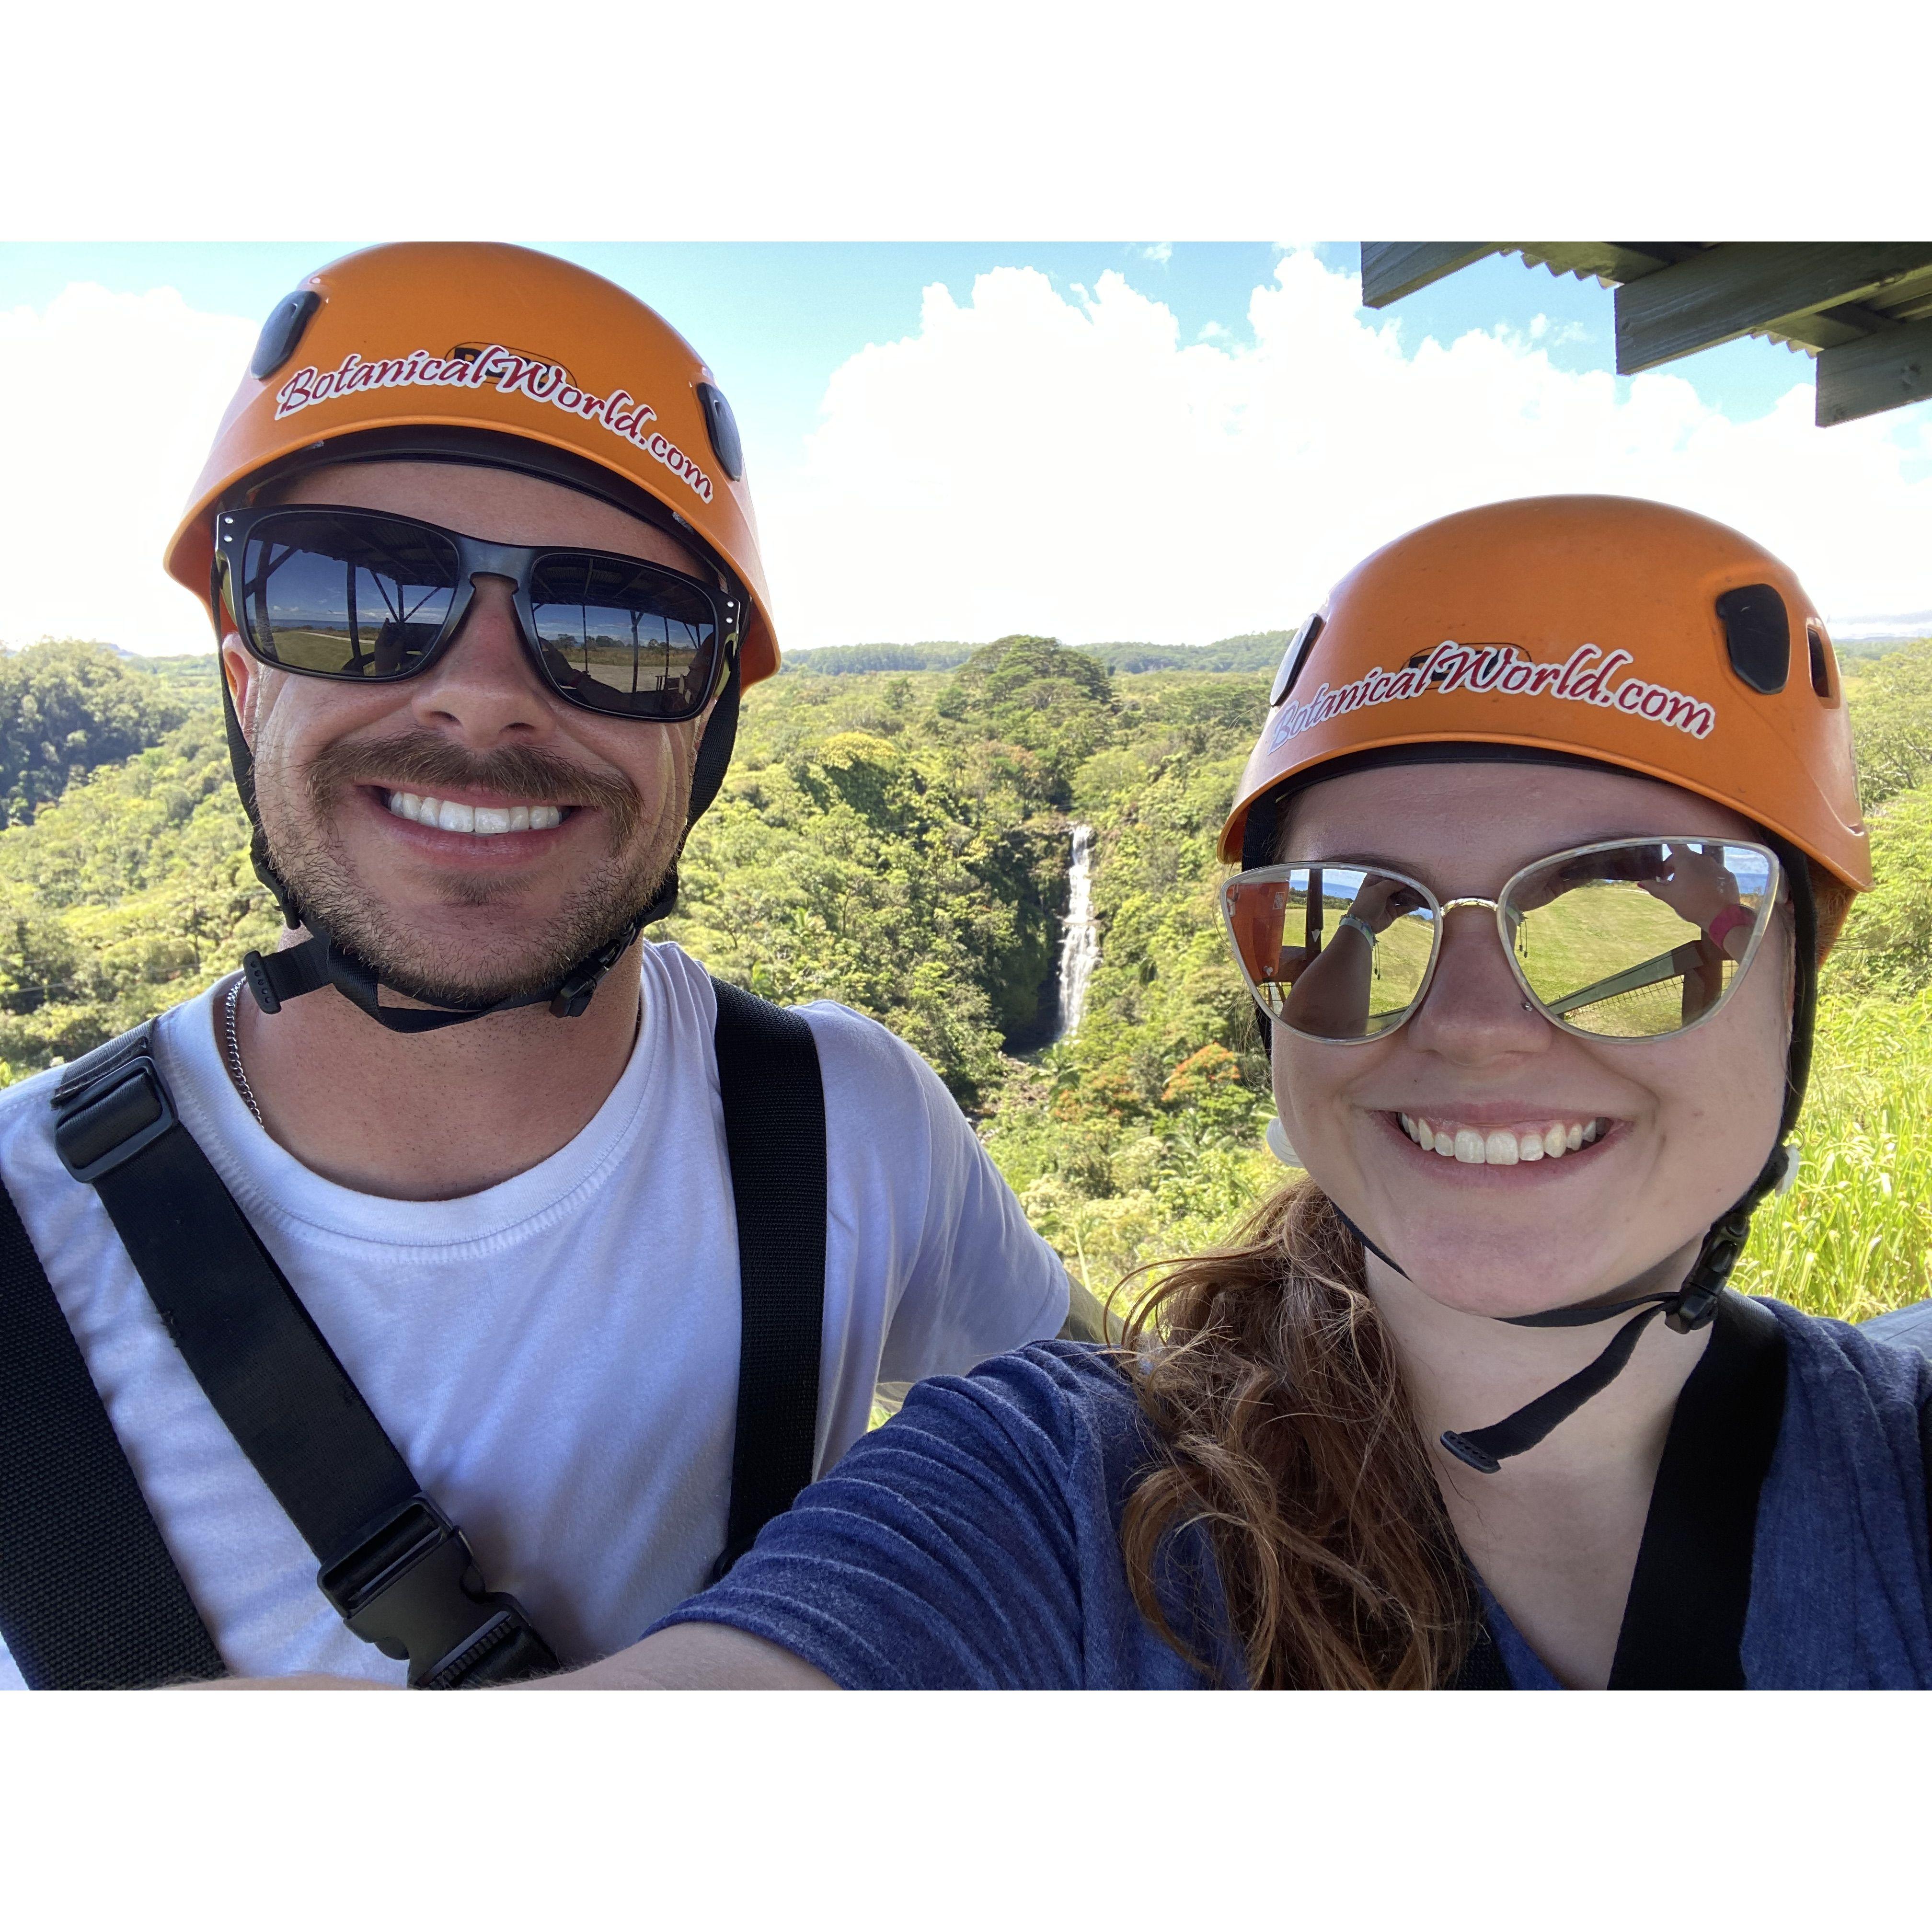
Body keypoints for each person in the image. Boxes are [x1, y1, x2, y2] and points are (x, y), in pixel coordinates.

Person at [507, 493, 1932, 1690]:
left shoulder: (1900, 1470)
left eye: (1630, 914)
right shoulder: (1060, 1498)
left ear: (1799, 985)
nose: (1480, 1029)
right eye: (1357, 915)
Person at [0, 242, 1068, 1691]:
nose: (485, 692)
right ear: (245, 678)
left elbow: (1152, 1460)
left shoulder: (850, 1129)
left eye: (613, 626)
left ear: (701, 737)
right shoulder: (23, 1233)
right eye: (355, 592)